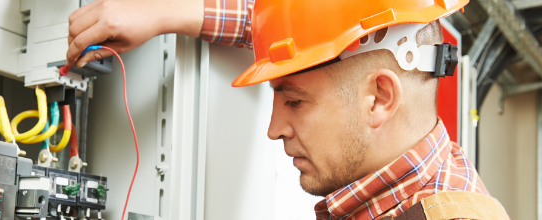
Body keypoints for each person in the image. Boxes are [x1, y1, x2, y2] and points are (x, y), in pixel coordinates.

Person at [67, 0, 511, 219]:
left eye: (294, 101)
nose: (275, 128)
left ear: (380, 97)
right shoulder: (426, 177)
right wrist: (166, 13)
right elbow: (302, 36)